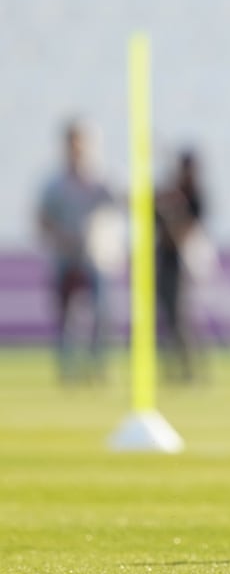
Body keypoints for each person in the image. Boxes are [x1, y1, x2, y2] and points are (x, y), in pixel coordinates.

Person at [37, 118, 121, 383]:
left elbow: (121, 201)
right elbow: (42, 218)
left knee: (102, 314)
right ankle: (68, 370)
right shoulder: (54, 183)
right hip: (65, 257)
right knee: (66, 317)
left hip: (95, 258)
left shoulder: (99, 179)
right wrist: (59, 236)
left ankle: (99, 368)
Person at [154, 148, 209, 383]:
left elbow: (187, 231)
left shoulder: (194, 196)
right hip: (163, 261)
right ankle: (173, 369)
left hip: (183, 262)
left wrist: (174, 211)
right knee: (168, 317)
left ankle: (190, 369)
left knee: (180, 318)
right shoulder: (170, 192)